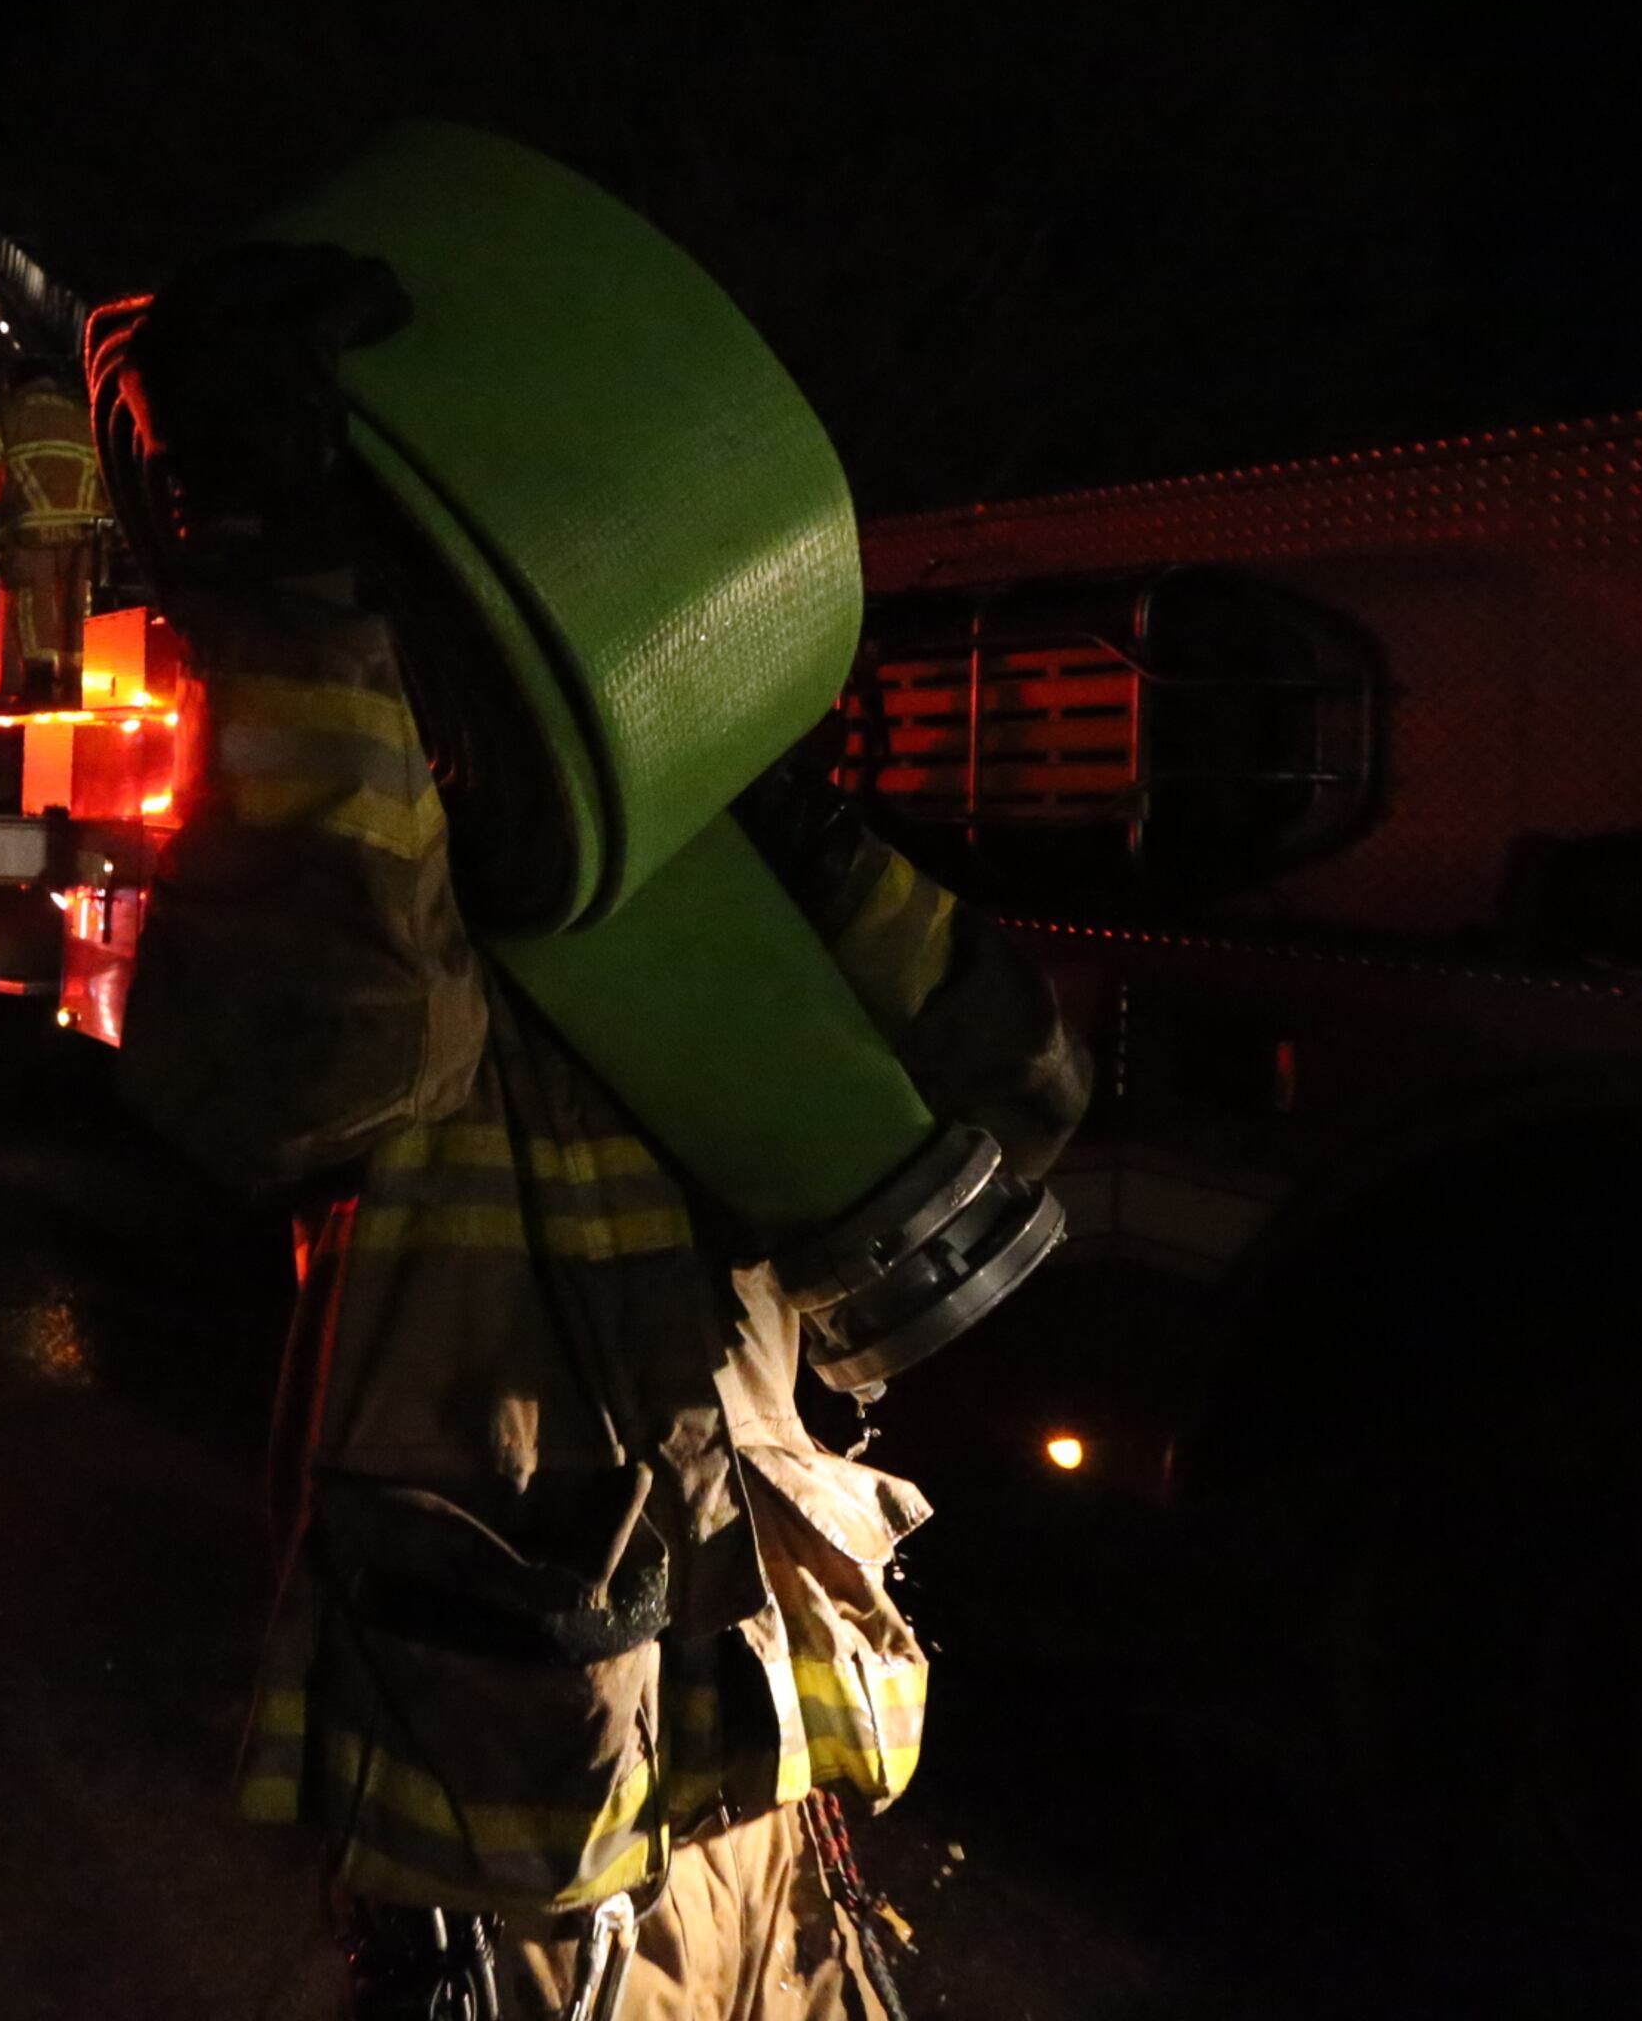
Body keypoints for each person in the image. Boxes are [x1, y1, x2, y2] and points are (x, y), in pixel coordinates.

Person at [91, 251, 1090, 2019]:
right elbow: (320, 1061)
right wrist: (289, 599)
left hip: (767, 1817)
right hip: (527, 1859)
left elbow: (1024, 1090)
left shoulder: (719, 920)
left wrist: (794, 826)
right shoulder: (369, 928)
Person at [0, 354, 111, 703]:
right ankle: (75, 683)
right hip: (86, 532)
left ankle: (39, 682)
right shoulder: (82, 416)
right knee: (78, 605)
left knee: (30, 600)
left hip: (30, 530)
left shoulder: (9, 412)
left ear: (16, 383)